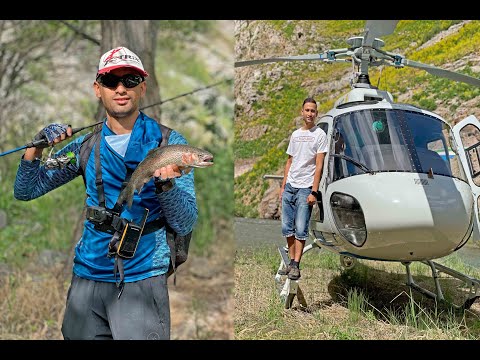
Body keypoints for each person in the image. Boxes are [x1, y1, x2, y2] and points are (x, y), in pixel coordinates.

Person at [13, 46, 198, 340]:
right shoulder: (84, 147)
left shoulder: (170, 143)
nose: (121, 88)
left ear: (143, 88)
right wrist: (35, 147)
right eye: (111, 81)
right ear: (98, 89)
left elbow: (186, 222)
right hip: (87, 274)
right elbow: (26, 190)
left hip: (143, 276)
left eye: (131, 81)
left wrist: (166, 185)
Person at [278, 97, 328, 280]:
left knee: (300, 228)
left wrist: (314, 191)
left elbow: (319, 165)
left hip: (306, 188)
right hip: (290, 186)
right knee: (287, 228)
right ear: (302, 112)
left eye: (313, 111)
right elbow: (289, 161)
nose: (310, 114)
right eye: (307, 110)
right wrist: (283, 186)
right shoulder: (296, 134)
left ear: (316, 113)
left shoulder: (320, 135)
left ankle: (296, 265)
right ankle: (291, 262)